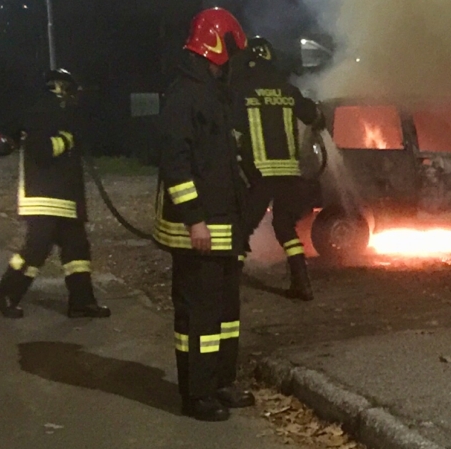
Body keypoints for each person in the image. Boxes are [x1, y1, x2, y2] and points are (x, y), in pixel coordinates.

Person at [155, 7, 255, 422]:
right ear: (217, 47)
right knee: (199, 315)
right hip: (197, 229)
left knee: (226, 313)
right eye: (230, 53)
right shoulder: (184, 95)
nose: (233, 63)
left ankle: (220, 382)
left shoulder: (213, 95)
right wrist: (195, 218)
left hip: (222, 226)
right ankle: (196, 395)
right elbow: (176, 163)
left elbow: (222, 163)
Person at [0, 69, 111, 320]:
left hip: (64, 199)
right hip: (44, 198)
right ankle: (5, 292)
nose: (72, 97)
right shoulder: (41, 111)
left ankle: (82, 302)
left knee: (77, 251)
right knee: (36, 249)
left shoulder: (57, 113)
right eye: (69, 90)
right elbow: (41, 150)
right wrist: (68, 139)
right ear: (59, 88)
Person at [231, 36, 326, 302]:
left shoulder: (241, 92)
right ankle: (302, 284)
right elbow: (313, 115)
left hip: (259, 175)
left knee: (241, 228)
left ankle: (229, 284)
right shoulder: (288, 90)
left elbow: (230, 128)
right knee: (285, 228)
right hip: (288, 174)